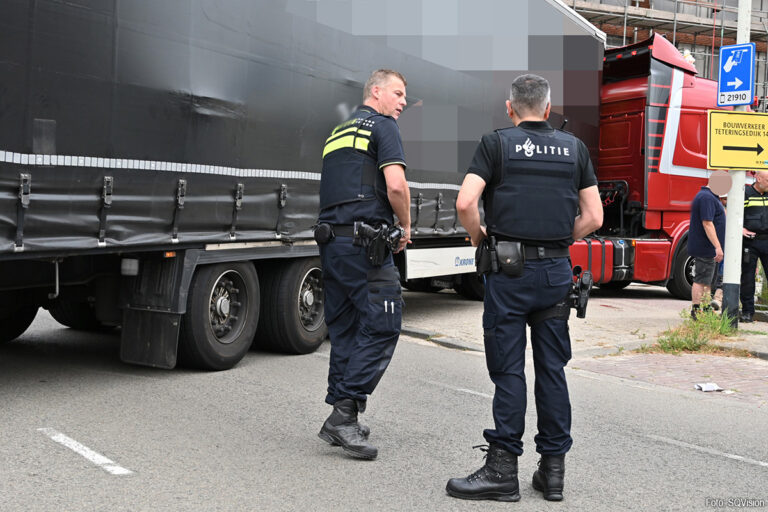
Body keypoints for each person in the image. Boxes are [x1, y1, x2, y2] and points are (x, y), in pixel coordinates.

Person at [446, 74, 603, 502]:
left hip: (509, 274)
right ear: (548, 109)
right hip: (554, 273)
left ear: (510, 108)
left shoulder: (496, 144)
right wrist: (558, 238)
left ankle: (501, 470)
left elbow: (465, 203)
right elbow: (594, 216)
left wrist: (479, 237)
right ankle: (552, 473)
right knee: (552, 370)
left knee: (509, 371)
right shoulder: (574, 149)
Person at [314, 69, 411, 460]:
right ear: (376, 92)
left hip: (332, 244)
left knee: (346, 326)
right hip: (364, 245)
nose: (403, 102)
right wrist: (404, 225)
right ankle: (344, 414)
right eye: (398, 93)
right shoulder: (383, 126)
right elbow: (396, 185)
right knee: (385, 322)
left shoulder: (338, 132)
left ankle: (342, 409)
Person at [687, 171, 729, 319]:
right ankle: (697, 310)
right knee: (701, 280)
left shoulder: (710, 197)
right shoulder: (707, 197)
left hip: (708, 248)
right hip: (706, 247)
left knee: (707, 281)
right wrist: (717, 246)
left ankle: (704, 309)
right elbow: (707, 223)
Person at [740, 170, 768, 323]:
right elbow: (735, 214)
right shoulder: (746, 193)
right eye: (767, 180)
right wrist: (741, 229)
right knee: (748, 278)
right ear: (758, 178)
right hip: (750, 242)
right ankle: (747, 312)